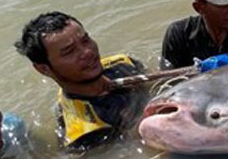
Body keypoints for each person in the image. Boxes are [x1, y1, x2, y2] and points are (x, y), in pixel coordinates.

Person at [15, 12, 146, 149]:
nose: (88, 52)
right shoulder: (85, 134)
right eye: (69, 51)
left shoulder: (122, 62)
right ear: (44, 69)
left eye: (85, 40)